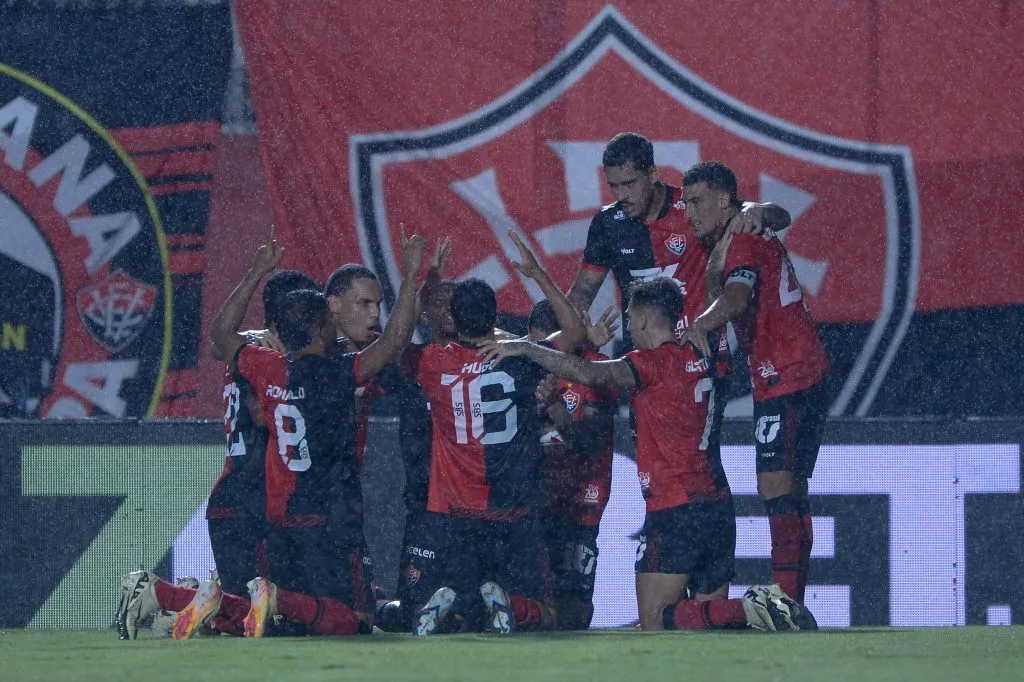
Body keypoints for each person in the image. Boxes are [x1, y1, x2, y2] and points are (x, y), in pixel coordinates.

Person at [479, 278, 817, 632]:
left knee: (655, 620)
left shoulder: (652, 363)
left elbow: (590, 372)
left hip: (675, 510)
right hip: (717, 505)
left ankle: (748, 609)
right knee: (705, 629)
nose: (627, 328)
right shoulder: (702, 356)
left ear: (642, 320)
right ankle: (747, 611)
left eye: (629, 319)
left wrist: (528, 349)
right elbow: (714, 285)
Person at [196, 225, 427, 638]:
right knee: (355, 621)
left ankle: (181, 598)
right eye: (365, 303)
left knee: (284, 625)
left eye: (378, 304)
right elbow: (393, 343)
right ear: (329, 312)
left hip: (280, 510)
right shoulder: (341, 368)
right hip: (329, 508)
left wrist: (254, 274)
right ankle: (238, 600)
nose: (374, 313)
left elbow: (220, 340)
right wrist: (411, 275)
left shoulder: (266, 359)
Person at [115, 269, 319, 641]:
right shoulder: (273, 355)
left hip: (237, 487)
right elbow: (263, 414)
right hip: (259, 491)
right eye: (310, 307)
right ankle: (171, 595)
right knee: (271, 615)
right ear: (292, 312)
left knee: (264, 609)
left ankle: (184, 598)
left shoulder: (244, 347)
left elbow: (216, 343)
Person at [403, 230, 587, 635]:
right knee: (547, 614)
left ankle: (458, 599)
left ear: (453, 316)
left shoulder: (433, 363)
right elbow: (575, 332)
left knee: (467, 615)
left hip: (459, 513)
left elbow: (398, 338)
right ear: (496, 314)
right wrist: (537, 274)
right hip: (516, 511)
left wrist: (425, 279)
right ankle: (513, 606)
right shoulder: (521, 358)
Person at [680, 161, 830, 606]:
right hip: (806, 370)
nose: (689, 211)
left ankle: (785, 601)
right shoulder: (741, 228)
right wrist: (764, 210)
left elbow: (737, 296)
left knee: (775, 488)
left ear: (725, 199)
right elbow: (775, 215)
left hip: (786, 376)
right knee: (793, 491)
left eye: (697, 200)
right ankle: (793, 600)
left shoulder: (741, 237)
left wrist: (701, 326)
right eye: (685, 202)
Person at [566, 132, 791, 341]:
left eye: (629, 184)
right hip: (642, 363)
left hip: (700, 354)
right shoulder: (607, 223)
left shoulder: (692, 207)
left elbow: (780, 218)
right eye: (614, 186)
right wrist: (560, 341)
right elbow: (581, 294)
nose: (621, 195)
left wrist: (756, 210)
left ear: (652, 174)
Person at [527, 300, 618, 630]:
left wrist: (552, 407)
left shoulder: (597, 369)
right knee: (533, 597)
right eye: (537, 346)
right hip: (536, 502)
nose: (542, 355)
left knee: (576, 605)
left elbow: (592, 440)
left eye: (548, 346)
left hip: (582, 504)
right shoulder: (527, 373)